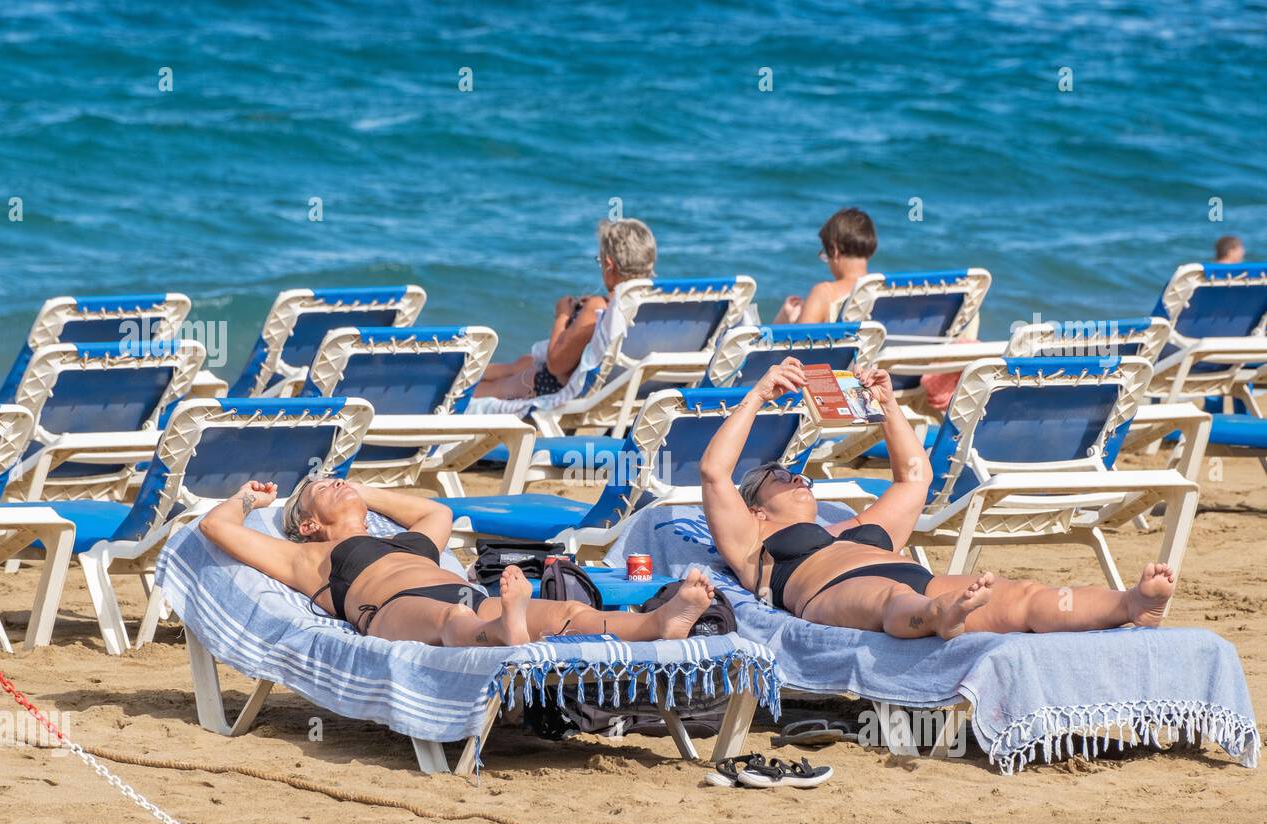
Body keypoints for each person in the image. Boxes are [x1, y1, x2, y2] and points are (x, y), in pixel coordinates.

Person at [698, 358, 1177, 639]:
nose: (797, 477)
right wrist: (760, 393)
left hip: (914, 576)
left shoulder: (851, 528)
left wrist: (888, 406)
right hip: (834, 591)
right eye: (780, 475)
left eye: (799, 473)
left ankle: (1129, 605)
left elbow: (912, 476)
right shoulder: (752, 543)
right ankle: (940, 618)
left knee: (1026, 596)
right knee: (893, 600)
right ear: (756, 507)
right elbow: (714, 472)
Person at [198, 473, 713, 647]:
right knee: (454, 622)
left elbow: (435, 512)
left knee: (563, 616)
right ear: (308, 523)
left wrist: (363, 491)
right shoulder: (306, 557)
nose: (333, 481)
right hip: (395, 607)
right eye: (320, 491)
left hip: (469, 592)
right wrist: (249, 499)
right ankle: (503, 633)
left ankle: (658, 623)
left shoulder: (411, 543)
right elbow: (215, 527)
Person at [474, 218, 657, 403]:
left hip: (556, 391)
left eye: (599, 262)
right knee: (524, 362)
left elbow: (556, 365)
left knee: (497, 386)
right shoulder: (656, 305)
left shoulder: (597, 307)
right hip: (631, 390)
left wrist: (563, 314)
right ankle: (462, 376)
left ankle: (455, 386)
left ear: (610, 264)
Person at [774, 207, 877, 324]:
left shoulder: (825, 294)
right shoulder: (885, 291)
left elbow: (800, 340)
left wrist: (793, 320)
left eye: (826, 255)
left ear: (834, 251)